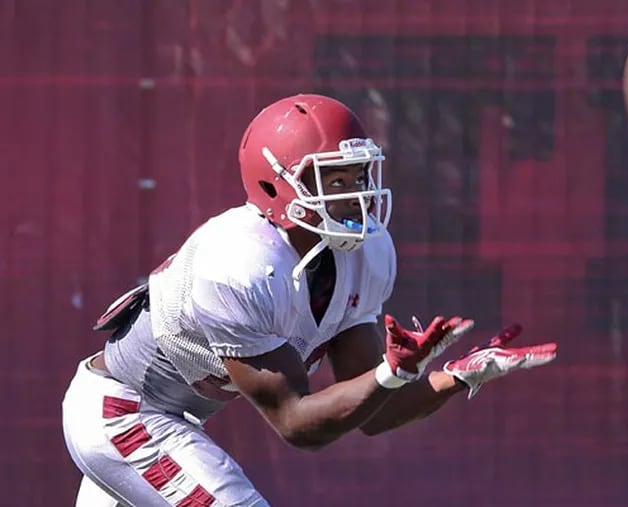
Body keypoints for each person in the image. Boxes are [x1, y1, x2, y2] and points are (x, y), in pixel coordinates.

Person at [61, 93, 557, 507]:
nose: (355, 196)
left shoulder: (365, 254)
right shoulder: (237, 262)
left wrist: (455, 375)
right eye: (335, 181)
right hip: (126, 412)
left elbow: (374, 411)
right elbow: (298, 424)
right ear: (272, 182)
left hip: (179, 417)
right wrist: (391, 372)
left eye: (358, 177)